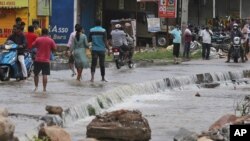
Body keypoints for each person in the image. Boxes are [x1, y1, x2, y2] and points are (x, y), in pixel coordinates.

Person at [32, 28, 57, 93]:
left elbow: (33, 45)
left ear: (41, 33)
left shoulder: (38, 39)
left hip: (38, 59)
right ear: (47, 33)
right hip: (46, 60)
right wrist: (50, 49)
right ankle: (44, 89)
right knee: (45, 74)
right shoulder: (51, 40)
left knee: (36, 74)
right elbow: (55, 48)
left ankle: (36, 87)